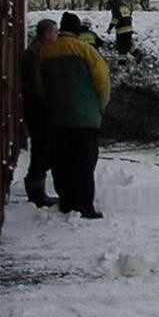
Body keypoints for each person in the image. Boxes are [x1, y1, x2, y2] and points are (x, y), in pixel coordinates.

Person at [38, 12, 111, 219]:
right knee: (84, 162)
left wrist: (51, 107)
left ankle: (66, 202)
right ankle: (84, 205)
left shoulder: (45, 53)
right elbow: (102, 81)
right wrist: (99, 107)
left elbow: (40, 86)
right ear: (77, 29)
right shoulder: (85, 50)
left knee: (61, 161)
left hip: (57, 117)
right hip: (85, 118)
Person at [20, 19, 59, 207]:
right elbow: (38, 83)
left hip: (34, 105)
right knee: (42, 148)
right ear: (47, 34)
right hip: (37, 107)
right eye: (55, 33)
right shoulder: (37, 53)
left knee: (43, 147)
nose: (57, 36)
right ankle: (36, 190)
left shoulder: (34, 51)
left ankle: (37, 188)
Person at [103, 0, 143, 66]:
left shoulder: (115, 6)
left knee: (121, 47)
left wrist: (110, 28)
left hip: (121, 29)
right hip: (128, 28)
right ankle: (137, 54)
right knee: (127, 45)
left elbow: (115, 18)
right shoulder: (122, 4)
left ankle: (122, 63)